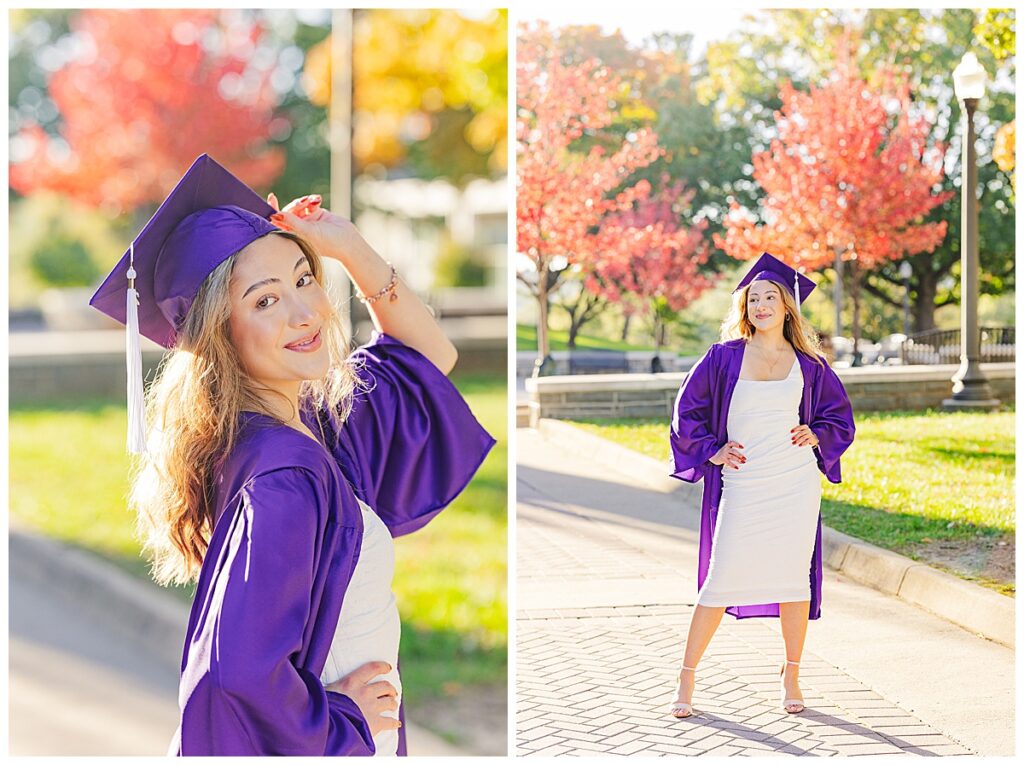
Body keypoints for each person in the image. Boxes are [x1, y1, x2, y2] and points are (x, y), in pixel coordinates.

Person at [89, 154, 496, 755]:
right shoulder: (284, 476)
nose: (306, 314)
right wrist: (344, 723)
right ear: (217, 335)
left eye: (304, 281)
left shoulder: (307, 427)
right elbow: (234, 676)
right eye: (264, 301)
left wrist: (349, 248)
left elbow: (427, 356)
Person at [667, 252, 855, 718]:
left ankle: (791, 672)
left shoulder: (810, 364)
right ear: (745, 307)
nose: (762, 304)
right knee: (719, 579)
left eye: (771, 297)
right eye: (754, 298)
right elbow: (685, 412)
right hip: (744, 481)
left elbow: (839, 417)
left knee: (794, 580)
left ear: (788, 307)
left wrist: (818, 434)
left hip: (794, 482)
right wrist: (712, 449)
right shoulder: (722, 358)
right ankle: (686, 676)